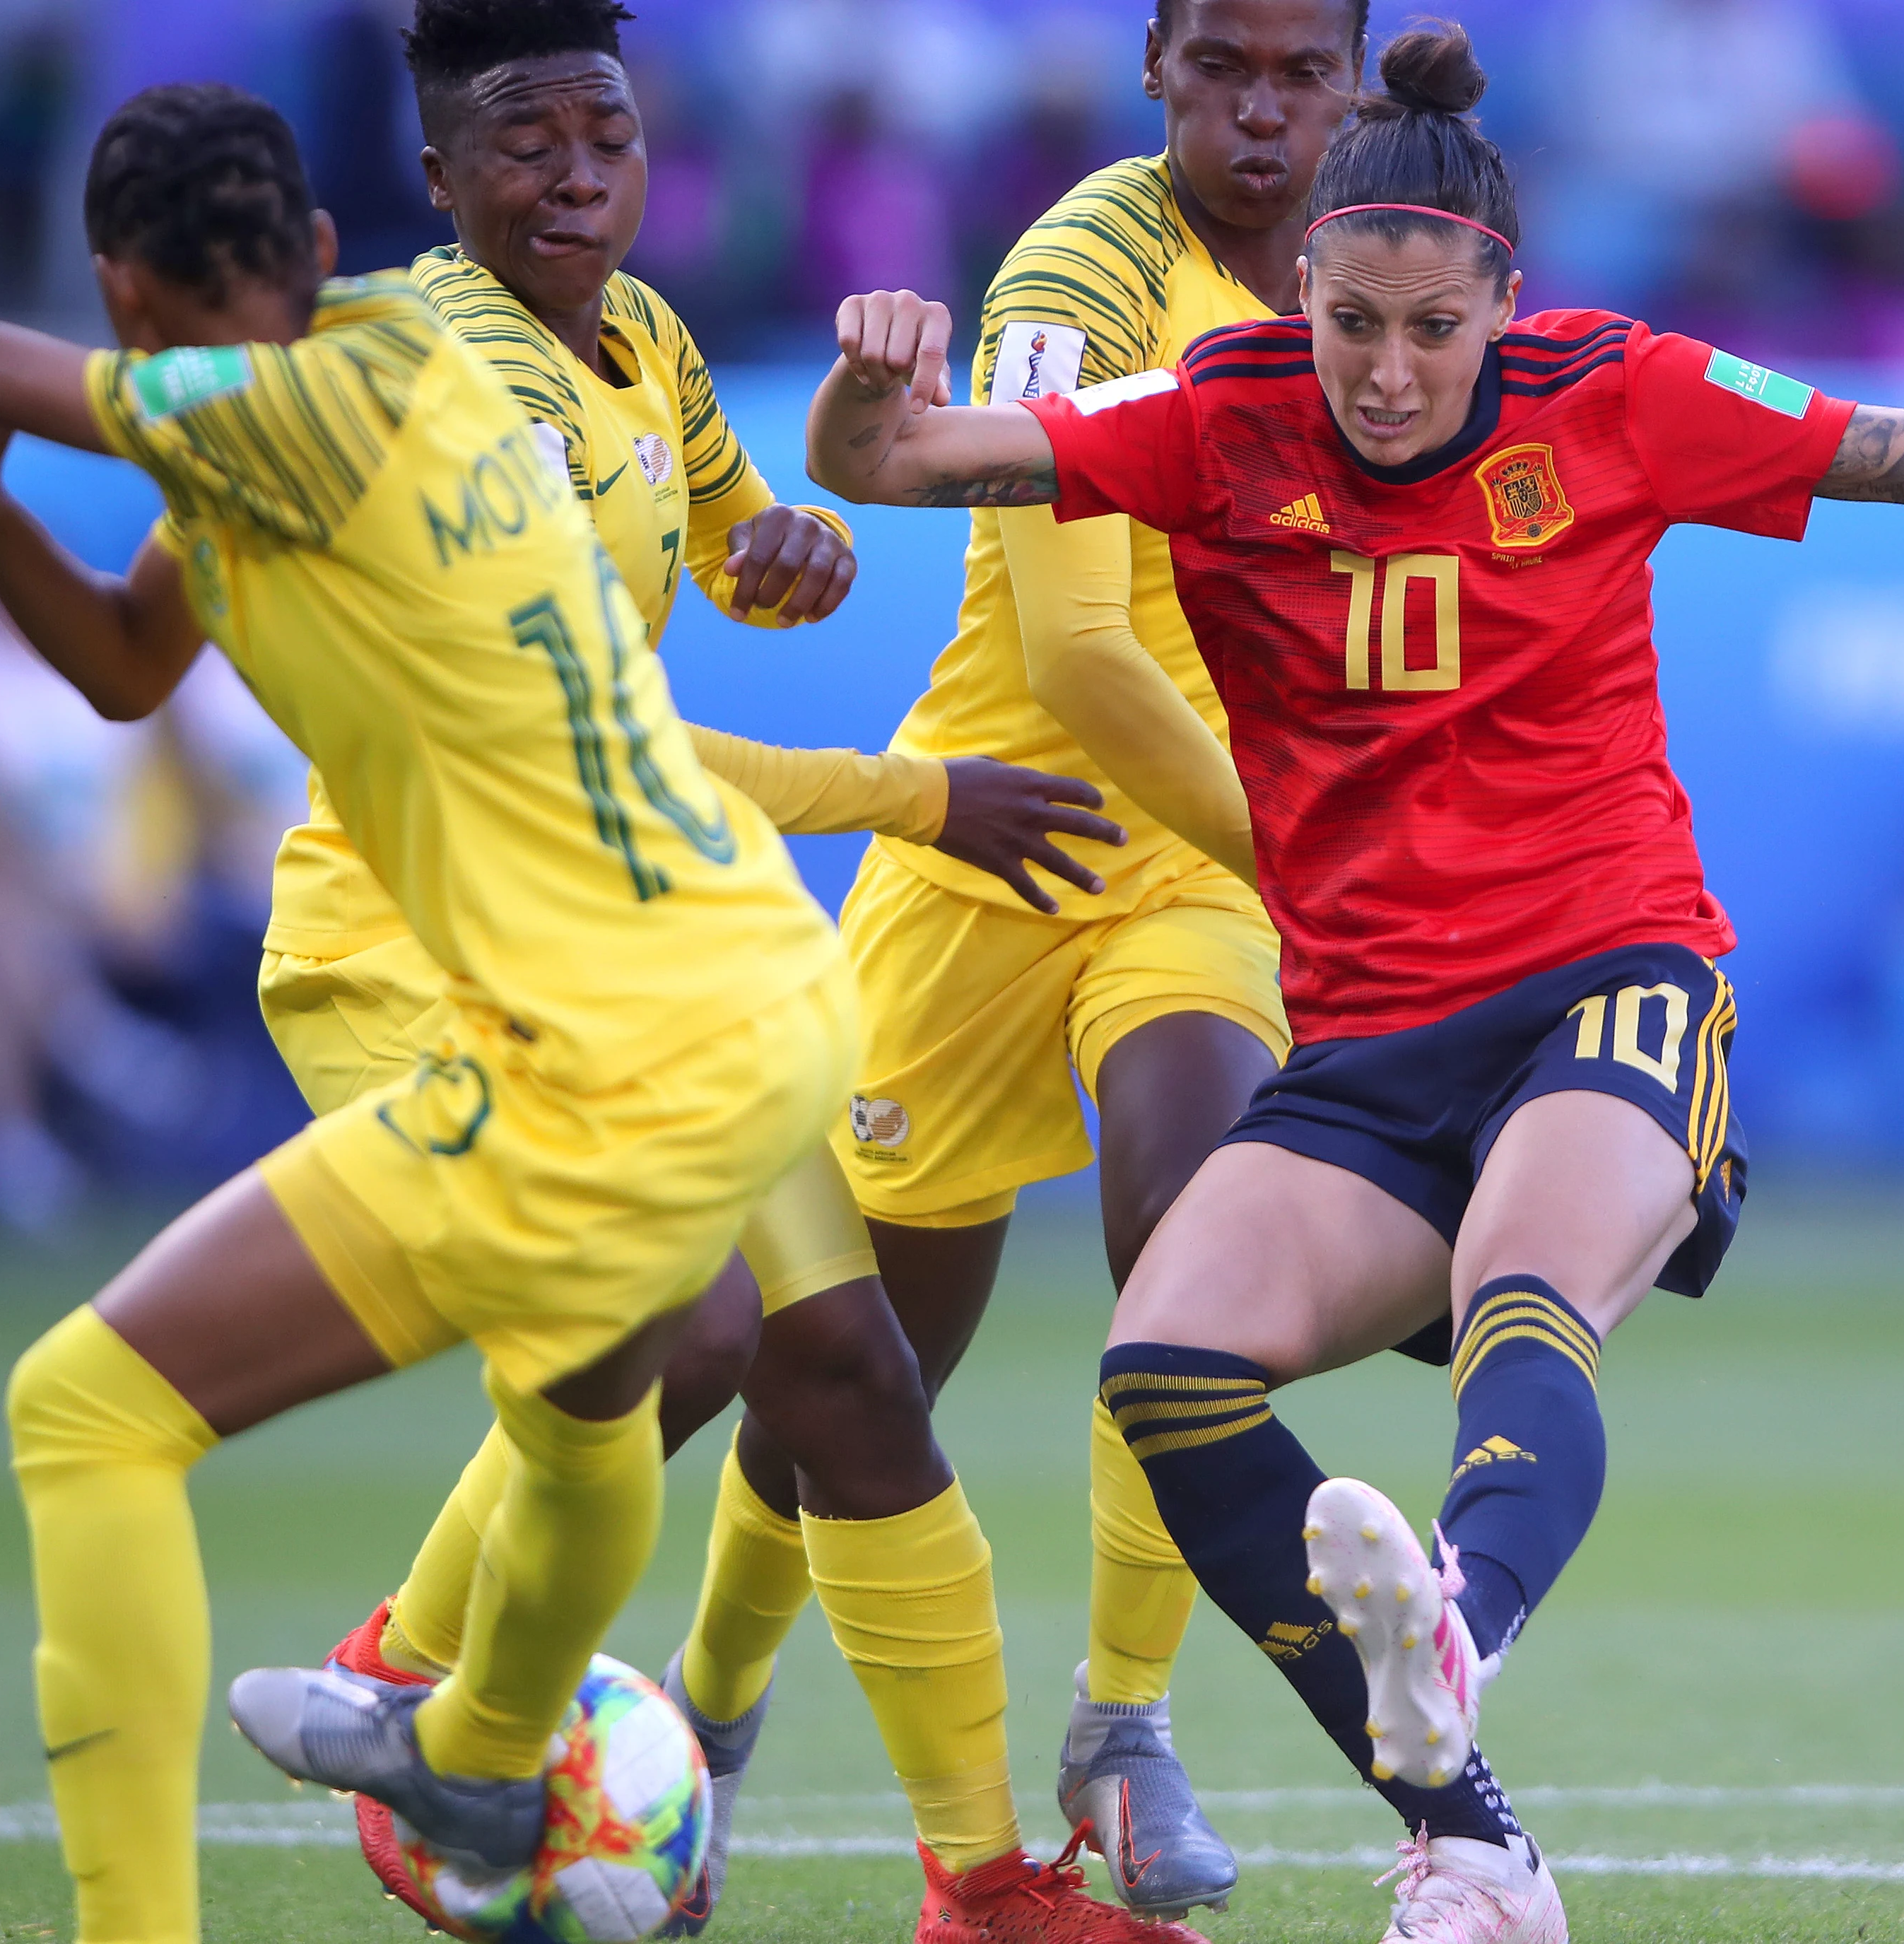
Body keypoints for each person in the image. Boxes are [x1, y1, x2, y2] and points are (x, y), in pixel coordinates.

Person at [803, 23, 1904, 1942]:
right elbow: (907, 462)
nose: (1386, 369)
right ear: (1311, 293)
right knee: (1167, 1365)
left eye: (1434, 327)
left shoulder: (1624, 391)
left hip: (1610, 978)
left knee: (1533, 1281)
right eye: (1352, 319)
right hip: (1367, 1043)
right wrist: (871, 388)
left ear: (1505, 304)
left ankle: (1462, 1625)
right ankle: (1482, 1847)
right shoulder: (1220, 408)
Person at [0, 4, 852, 1940]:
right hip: (767, 985)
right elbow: (128, 664)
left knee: (88, 1410)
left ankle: (228, 1873)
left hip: (600, 1044)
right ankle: (482, 1732)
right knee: (605, 1378)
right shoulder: (399, 361)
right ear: (322, 246)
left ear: (126, 293)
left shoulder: (267, 411)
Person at [223, 6, 1189, 1937]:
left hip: (632, 934)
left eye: (609, 134)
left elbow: (736, 537)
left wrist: (790, 550)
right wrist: (916, 792)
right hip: (436, 939)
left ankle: (987, 1886)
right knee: (696, 1344)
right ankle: (424, 1677)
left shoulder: (645, 335)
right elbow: (590, 730)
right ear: (436, 180)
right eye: (529, 145)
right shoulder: (441, 387)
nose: (581, 174)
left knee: (845, 1359)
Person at [804, 0, 1360, 1916]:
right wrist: (1324, 857)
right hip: (989, 840)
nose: (1263, 106)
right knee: (853, 1368)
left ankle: (1123, 1726)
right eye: (1225, 66)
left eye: (1304, 68)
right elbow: (1078, 660)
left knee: (1197, 1229)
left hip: (1189, 877)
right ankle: (705, 1710)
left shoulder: (1376, 280)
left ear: (1352, 79)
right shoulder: (1087, 269)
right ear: (1157, 70)